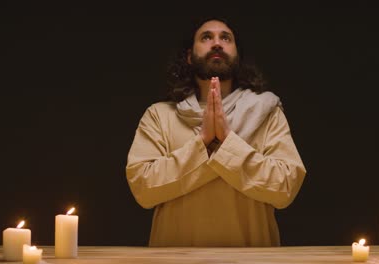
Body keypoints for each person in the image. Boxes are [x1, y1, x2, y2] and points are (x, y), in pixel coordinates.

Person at [125, 17, 306, 247]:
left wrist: (226, 142)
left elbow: (285, 187)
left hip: (252, 259)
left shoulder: (266, 111)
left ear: (237, 55)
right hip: (176, 259)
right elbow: (143, 187)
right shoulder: (159, 115)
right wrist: (203, 142)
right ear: (189, 56)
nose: (217, 43)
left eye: (225, 38)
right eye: (206, 37)